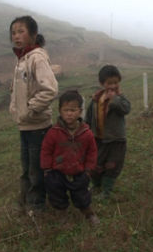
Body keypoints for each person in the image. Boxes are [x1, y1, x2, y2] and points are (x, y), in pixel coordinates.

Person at [8, 15, 58, 211]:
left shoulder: (36, 58)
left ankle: (36, 207)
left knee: (36, 169)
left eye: (21, 31)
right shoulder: (21, 59)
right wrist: (15, 110)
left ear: (33, 34)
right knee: (26, 166)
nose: (16, 36)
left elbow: (50, 89)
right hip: (25, 124)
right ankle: (25, 201)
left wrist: (30, 109)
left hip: (37, 125)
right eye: (13, 32)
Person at [40, 90, 100, 225]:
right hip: (57, 172)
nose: (69, 113)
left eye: (73, 110)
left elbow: (92, 152)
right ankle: (62, 214)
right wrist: (47, 169)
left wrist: (88, 170)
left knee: (82, 195)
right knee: (57, 195)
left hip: (79, 172)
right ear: (60, 111)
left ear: (80, 111)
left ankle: (89, 214)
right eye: (65, 110)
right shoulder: (54, 132)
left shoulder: (86, 133)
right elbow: (46, 150)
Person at [85, 65, 131, 198]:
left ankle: (107, 190)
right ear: (102, 83)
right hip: (98, 138)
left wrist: (114, 99)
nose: (112, 86)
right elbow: (89, 116)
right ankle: (96, 185)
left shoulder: (120, 98)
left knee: (113, 164)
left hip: (116, 139)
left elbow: (126, 109)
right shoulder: (96, 99)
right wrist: (86, 129)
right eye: (109, 83)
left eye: (115, 83)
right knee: (96, 163)